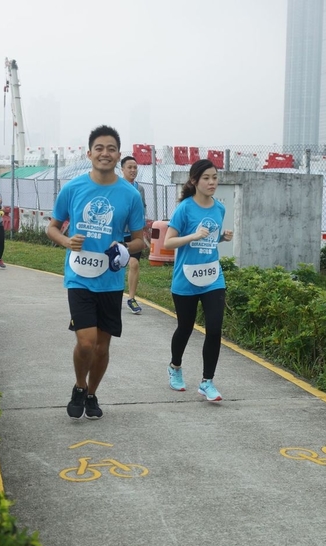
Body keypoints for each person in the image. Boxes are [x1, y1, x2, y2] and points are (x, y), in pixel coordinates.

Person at [47, 125, 145, 421]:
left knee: (102, 347)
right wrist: (66, 241)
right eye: (99, 148)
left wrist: (124, 247)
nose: (105, 153)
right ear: (89, 153)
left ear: (118, 155)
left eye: (111, 149)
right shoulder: (73, 188)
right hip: (79, 276)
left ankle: (91, 394)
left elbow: (140, 240)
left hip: (110, 280)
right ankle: (79, 386)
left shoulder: (130, 195)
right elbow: (52, 227)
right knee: (86, 342)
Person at [163, 159, 233, 402]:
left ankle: (207, 382)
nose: (212, 182)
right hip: (186, 277)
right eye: (206, 178)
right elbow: (168, 242)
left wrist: (221, 238)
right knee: (185, 327)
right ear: (194, 181)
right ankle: (175, 367)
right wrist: (192, 235)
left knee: (214, 328)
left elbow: (209, 240)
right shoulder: (184, 209)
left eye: (215, 177)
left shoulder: (219, 208)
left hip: (212, 276)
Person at [121, 156, 146, 314]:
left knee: (134, 263)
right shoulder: (117, 187)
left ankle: (131, 298)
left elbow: (142, 209)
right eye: (129, 167)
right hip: (118, 233)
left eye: (135, 167)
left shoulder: (139, 189)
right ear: (122, 169)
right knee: (116, 265)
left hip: (134, 234)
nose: (132, 170)